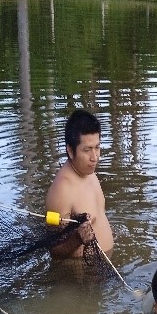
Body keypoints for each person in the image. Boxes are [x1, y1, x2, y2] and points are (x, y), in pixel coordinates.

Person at [44, 109, 113, 259]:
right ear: (70, 150)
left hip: (104, 267)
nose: (94, 157)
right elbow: (54, 250)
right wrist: (77, 239)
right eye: (87, 150)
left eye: (97, 148)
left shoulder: (90, 173)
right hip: (81, 276)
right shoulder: (62, 190)